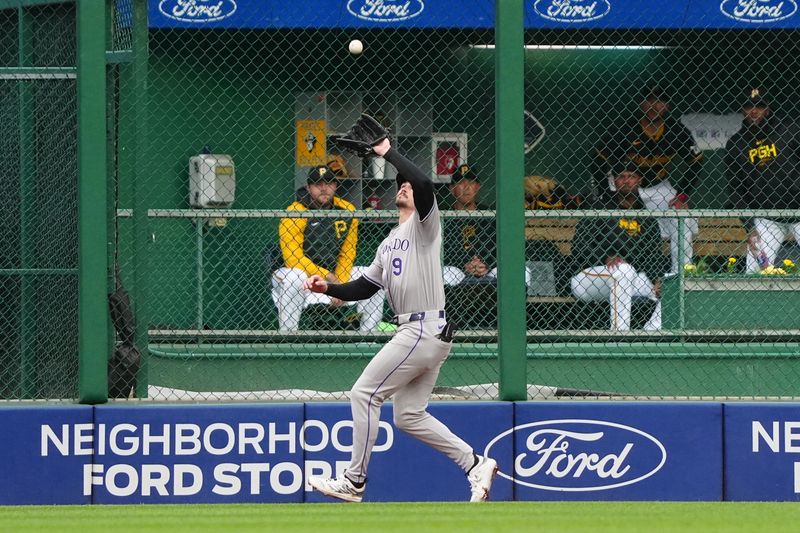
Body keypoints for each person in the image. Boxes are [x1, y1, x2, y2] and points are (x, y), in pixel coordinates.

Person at [305, 115, 498, 503]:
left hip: (422, 329)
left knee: (363, 394)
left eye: (409, 185)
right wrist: (330, 287)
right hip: (423, 332)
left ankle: (354, 481)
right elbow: (366, 286)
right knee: (408, 415)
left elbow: (425, 183)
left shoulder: (425, 228)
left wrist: (386, 151)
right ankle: (474, 463)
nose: (407, 186)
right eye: (401, 185)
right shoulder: (388, 242)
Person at [592, 86, 704, 274]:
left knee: (682, 219)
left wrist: (682, 196)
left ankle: (681, 274)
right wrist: (606, 193)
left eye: (659, 101)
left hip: (658, 187)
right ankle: (623, 272)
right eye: (649, 100)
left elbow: (697, 162)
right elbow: (597, 159)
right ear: (641, 104)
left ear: (667, 106)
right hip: (623, 187)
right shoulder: (625, 128)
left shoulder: (675, 130)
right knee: (615, 226)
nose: (654, 105)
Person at [271, 165, 384, 332]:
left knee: (374, 276)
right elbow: (293, 258)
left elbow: (347, 252)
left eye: (329, 183)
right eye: (318, 184)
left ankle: (368, 337)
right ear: (308, 187)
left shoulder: (347, 210)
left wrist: (341, 287)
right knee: (294, 276)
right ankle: (288, 337)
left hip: (334, 276)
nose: (324, 188)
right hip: (294, 274)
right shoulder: (295, 211)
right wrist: (329, 278)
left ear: (336, 186)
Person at [571, 164, 667, 331]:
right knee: (624, 270)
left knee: (671, 285)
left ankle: (651, 331)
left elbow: (653, 253)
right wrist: (604, 256)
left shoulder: (646, 217)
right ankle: (619, 334)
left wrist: (658, 279)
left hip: (631, 277)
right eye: (622, 176)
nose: (626, 181)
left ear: (639, 181)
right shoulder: (599, 208)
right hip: (590, 278)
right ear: (614, 181)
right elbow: (579, 246)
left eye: (631, 176)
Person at [725, 88, 800, 272]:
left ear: (768, 109)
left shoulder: (790, 130)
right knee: (753, 269)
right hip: (767, 217)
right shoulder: (737, 143)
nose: (754, 111)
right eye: (749, 106)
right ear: (743, 109)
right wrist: (750, 227)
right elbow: (736, 189)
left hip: (798, 210)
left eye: (759, 106)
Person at [442, 164, 497, 285]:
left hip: (487, 269)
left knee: (522, 271)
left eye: (471, 182)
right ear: (452, 188)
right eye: (461, 183)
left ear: (477, 186)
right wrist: (464, 265)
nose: (466, 187)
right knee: (445, 273)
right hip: (456, 271)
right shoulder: (443, 216)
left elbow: (499, 249)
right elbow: (440, 253)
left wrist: (486, 264)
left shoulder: (490, 215)